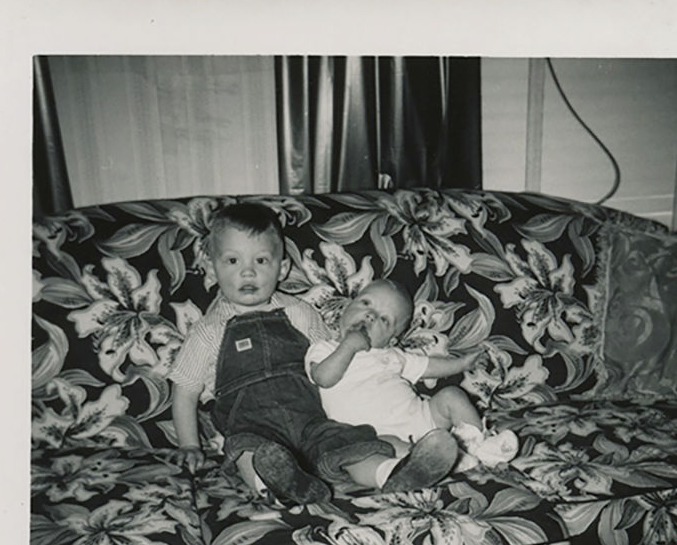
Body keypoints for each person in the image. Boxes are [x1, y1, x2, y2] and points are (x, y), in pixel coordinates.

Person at [167, 203, 458, 505]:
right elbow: (185, 391)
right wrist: (189, 445)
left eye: (261, 260)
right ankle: (279, 488)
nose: (248, 271)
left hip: (311, 420)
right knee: (247, 449)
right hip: (253, 425)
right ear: (212, 267)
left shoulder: (299, 313)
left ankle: (393, 474)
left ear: (281, 268)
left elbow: (332, 359)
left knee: (349, 445)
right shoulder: (207, 331)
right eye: (232, 260)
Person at [306, 279, 518, 469]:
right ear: (345, 309)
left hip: (424, 419)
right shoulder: (325, 349)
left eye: (384, 320)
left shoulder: (392, 355)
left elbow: (429, 367)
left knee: (452, 395)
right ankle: (442, 460)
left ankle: (479, 445)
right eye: (365, 303)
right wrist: (348, 347)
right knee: (381, 449)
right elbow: (323, 378)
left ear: (390, 340)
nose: (371, 315)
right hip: (374, 436)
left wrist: (462, 364)